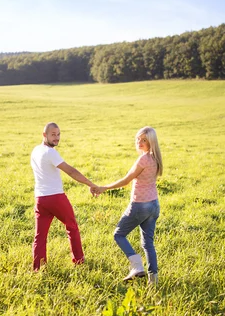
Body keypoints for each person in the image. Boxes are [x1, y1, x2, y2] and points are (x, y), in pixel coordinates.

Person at [92, 126, 163, 285]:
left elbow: (126, 180)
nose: (139, 142)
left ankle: (137, 266)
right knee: (148, 243)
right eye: (138, 138)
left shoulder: (143, 159)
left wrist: (105, 188)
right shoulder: (155, 158)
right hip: (154, 205)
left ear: (151, 142)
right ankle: (154, 280)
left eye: (144, 140)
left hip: (140, 205)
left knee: (118, 234)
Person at [30, 122, 97, 271]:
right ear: (44, 135)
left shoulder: (35, 150)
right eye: (53, 135)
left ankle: (38, 267)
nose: (56, 138)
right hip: (55, 197)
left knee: (40, 235)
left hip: (40, 199)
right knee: (72, 226)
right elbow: (71, 172)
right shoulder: (50, 153)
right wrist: (90, 184)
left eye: (58, 134)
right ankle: (78, 260)